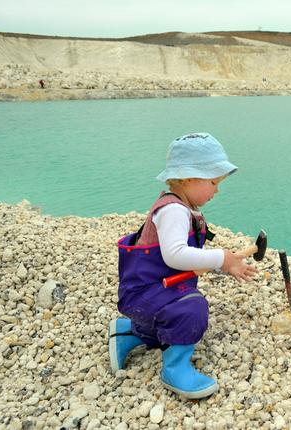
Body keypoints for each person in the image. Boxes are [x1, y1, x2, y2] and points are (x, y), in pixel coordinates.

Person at [109, 132, 258, 399]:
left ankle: (128, 333)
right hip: (145, 293)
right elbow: (175, 256)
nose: (217, 190)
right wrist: (221, 258)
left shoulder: (180, 206)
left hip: (151, 291)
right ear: (189, 178)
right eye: (213, 182)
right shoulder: (174, 211)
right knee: (191, 308)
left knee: (175, 314)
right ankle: (175, 369)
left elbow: (181, 259)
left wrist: (224, 264)